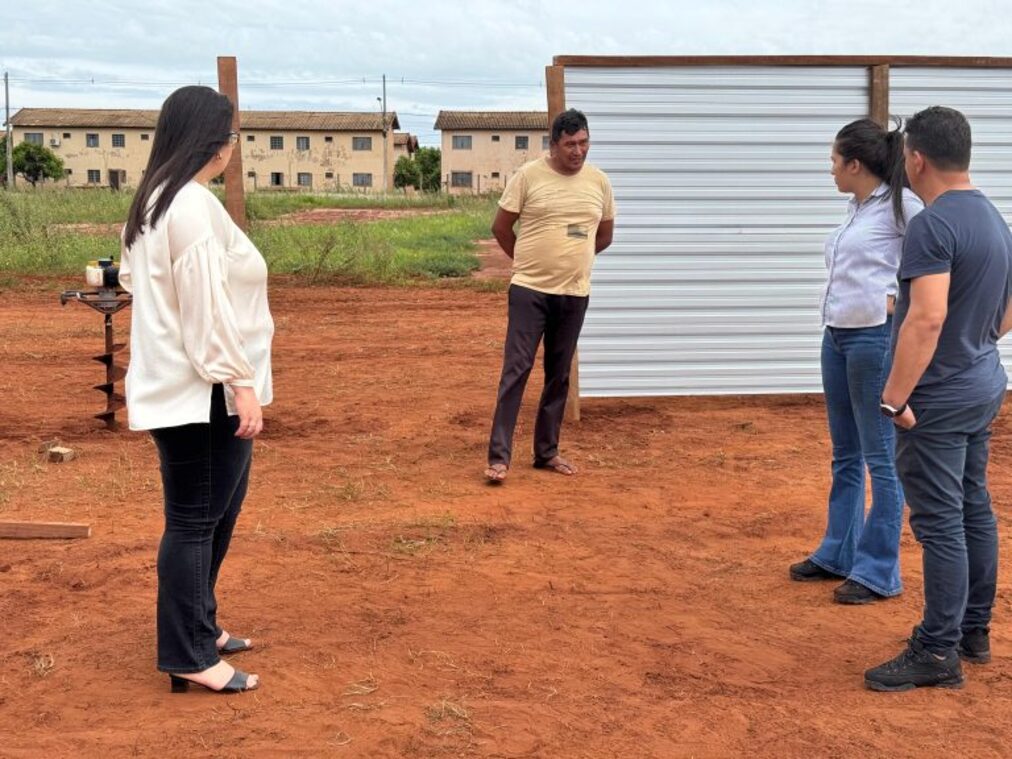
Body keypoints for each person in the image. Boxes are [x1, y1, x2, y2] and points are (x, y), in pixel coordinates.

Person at [120, 85, 274, 693]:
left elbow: (139, 281)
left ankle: (199, 626)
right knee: (193, 521)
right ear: (214, 142)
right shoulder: (186, 205)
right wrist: (239, 382)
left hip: (181, 386)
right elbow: (205, 309)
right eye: (233, 136)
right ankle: (188, 653)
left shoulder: (156, 200)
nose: (234, 148)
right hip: (201, 391)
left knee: (214, 514)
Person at [864, 106, 1012, 691]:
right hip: (981, 381)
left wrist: (893, 399)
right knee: (973, 504)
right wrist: (977, 336)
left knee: (940, 520)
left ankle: (937, 650)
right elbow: (999, 306)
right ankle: (973, 632)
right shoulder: (995, 219)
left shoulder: (933, 223)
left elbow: (926, 319)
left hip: (939, 395)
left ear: (917, 158)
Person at [790, 119, 922, 604]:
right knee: (845, 453)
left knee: (880, 456)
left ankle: (878, 571)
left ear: (855, 164)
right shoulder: (856, 209)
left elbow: (928, 268)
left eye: (833, 161)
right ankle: (837, 552)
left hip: (873, 339)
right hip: (838, 337)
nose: (830, 170)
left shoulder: (904, 207)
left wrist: (895, 303)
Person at [484, 108, 615, 483]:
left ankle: (547, 451)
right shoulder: (529, 176)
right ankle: (499, 457)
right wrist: (527, 264)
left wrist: (574, 261)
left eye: (584, 143)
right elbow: (501, 227)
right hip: (529, 291)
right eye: (571, 144)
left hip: (574, 293)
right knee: (517, 369)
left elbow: (603, 235)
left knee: (558, 375)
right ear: (554, 145)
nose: (579, 151)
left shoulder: (599, 182)